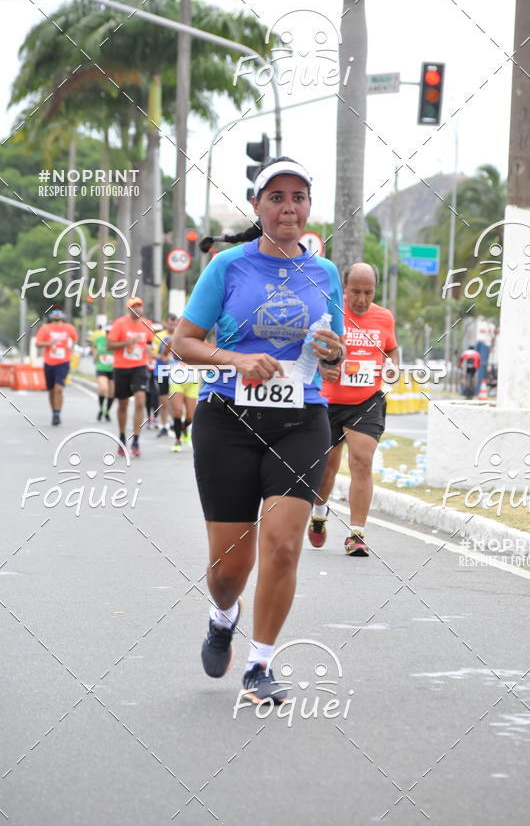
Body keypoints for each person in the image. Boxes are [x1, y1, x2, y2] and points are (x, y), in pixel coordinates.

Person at [172, 157, 344, 705]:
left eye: (298, 197)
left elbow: (334, 358)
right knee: (230, 566)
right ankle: (223, 615)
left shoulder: (326, 273)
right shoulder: (227, 267)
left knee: (283, 545)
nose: (288, 207)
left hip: (301, 419)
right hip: (228, 421)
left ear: (309, 207)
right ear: (258, 206)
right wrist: (236, 360)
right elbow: (184, 341)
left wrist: (334, 352)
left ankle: (260, 664)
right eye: (276, 197)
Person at [308, 263, 399, 557]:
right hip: (328, 401)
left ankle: (356, 534)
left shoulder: (384, 317)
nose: (361, 299)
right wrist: (323, 368)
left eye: (368, 292)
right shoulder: (329, 313)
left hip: (366, 401)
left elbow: (391, 348)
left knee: (362, 460)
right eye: (355, 292)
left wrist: (393, 364)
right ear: (344, 289)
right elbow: (310, 350)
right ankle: (319, 514)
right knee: (326, 470)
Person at [107, 297, 154, 457]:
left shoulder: (147, 324)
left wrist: (153, 354)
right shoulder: (120, 323)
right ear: (129, 309)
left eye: (140, 306)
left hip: (139, 367)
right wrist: (127, 342)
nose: (138, 309)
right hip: (121, 367)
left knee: (140, 402)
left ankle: (136, 440)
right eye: (135, 306)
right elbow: (109, 345)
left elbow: (148, 344)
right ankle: (121, 437)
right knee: (122, 405)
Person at [35, 309, 79, 426]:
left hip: (63, 362)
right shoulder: (45, 328)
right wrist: (49, 343)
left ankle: (57, 414)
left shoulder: (69, 327)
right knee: (51, 390)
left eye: (59, 312)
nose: (57, 314)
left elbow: (75, 338)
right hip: (49, 362)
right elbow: (37, 343)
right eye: (54, 313)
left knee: (58, 389)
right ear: (51, 316)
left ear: (62, 315)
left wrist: (72, 348)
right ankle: (53, 411)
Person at [151, 313, 178, 437]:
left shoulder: (180, 335)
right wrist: (161, 357)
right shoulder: (159, 336)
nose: (171, 326)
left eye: (174, 323)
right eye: (169, 323)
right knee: (163, 398)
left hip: (177, 371)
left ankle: (175, 422)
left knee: (174, 398)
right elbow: (151, 352)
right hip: (162, 370)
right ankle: (164, 425)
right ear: (165, 323)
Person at [92, 323, 115, 422]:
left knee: (111, 393)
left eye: (111, 332)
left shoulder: (117, 341)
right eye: (107, 331)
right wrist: (95, 355)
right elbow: (93, 346)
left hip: (114, 369)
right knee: (103, 388)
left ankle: (107, 411)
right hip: (101, 367)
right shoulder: (100, 339)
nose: (108, 333)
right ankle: (101, 409)